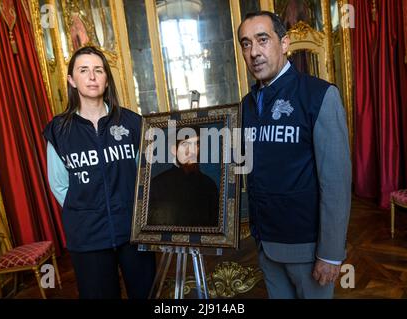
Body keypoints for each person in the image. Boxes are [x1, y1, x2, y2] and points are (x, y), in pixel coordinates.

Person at [237, 11, 351, 299]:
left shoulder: (319, 95)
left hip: (308, 248)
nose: (254, 52)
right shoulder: (245, 106)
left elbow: (336, 183)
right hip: (265, 242)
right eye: (246, 44)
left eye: (263, 40)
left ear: (284, 43)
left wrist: (331, 253)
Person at [43, 46, 155, 299]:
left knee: (147, 294)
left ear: (106, 79)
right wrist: (88, 211)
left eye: (98, 70)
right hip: (87, 238)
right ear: (72, 80)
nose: (92, 77)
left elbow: (145, 174)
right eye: (84, 70)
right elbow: (59, 185)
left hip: (134, 233)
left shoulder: (132, 123)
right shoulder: (59, 131)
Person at [147, 128, 219, 227]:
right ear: (174, 150)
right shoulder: (156, 185)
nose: (192, 151)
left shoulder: (209, 185)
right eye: (185, 144)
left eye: (196, 144)